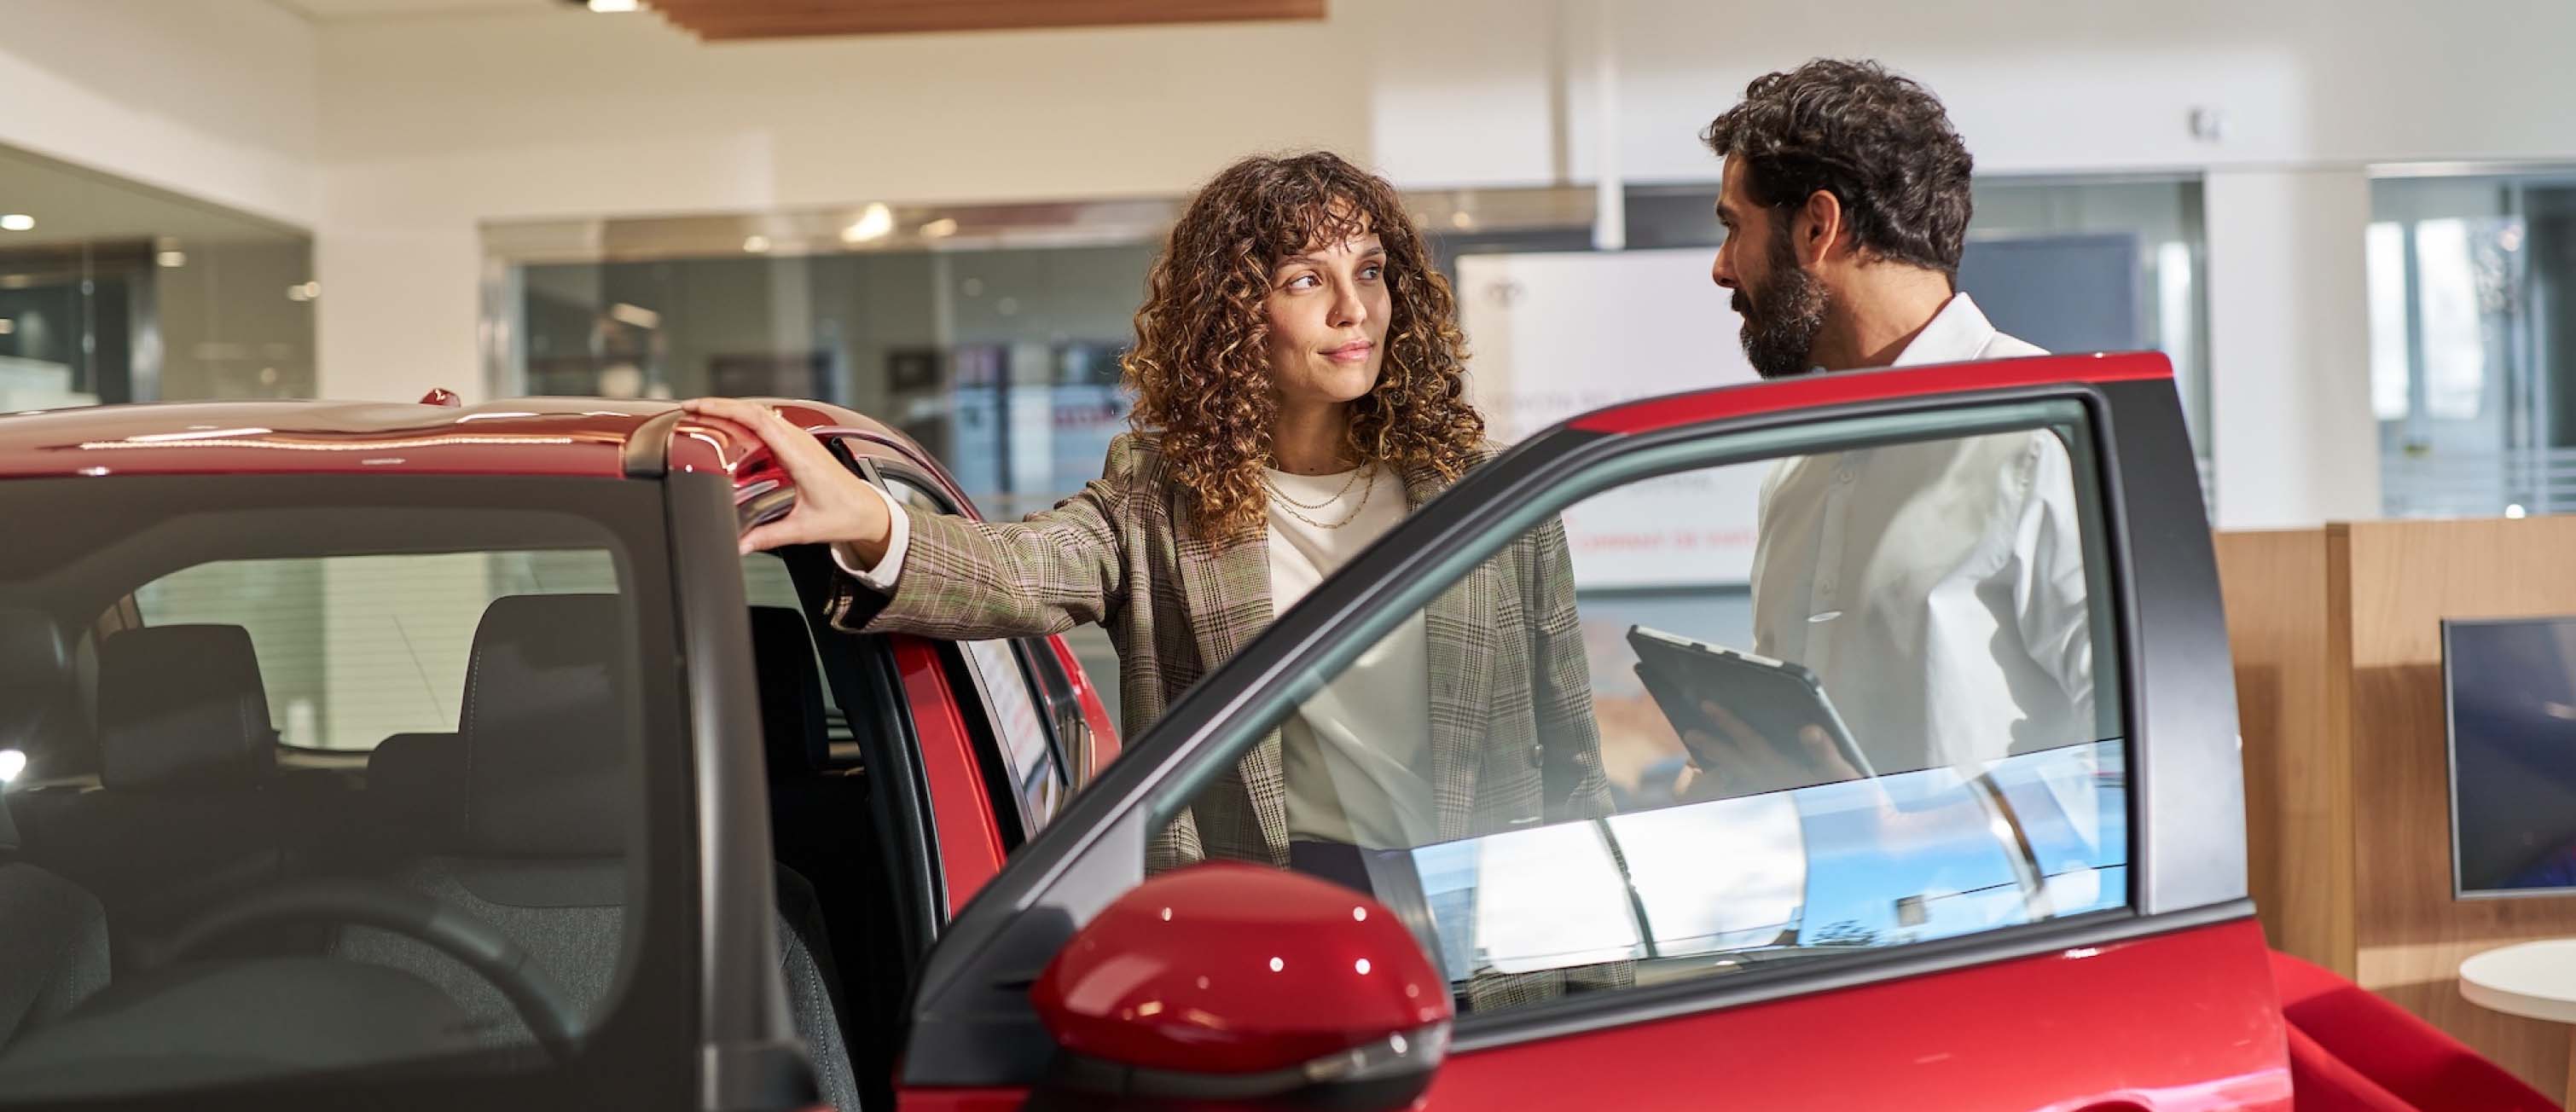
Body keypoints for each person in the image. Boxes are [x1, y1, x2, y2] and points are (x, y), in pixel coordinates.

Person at [687, 152, 1610, 881]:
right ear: (1236, 313)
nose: (1351, 309)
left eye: (1369, 271)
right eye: (1304, 279)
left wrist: (1594, 970)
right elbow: (1018, 572)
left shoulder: (1490, 497)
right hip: (1271, 916)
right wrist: (871, 518)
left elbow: (1571, 755)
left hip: (1479, 908)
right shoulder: (1160, 497)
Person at [1685, 59, 2095, 792]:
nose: (1721, 269)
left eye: (1733, 228)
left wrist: (1924, 838)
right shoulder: (1799, 470)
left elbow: (2161, 748)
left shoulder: (2048, 433)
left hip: (2001, 879)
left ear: (1817, 227)